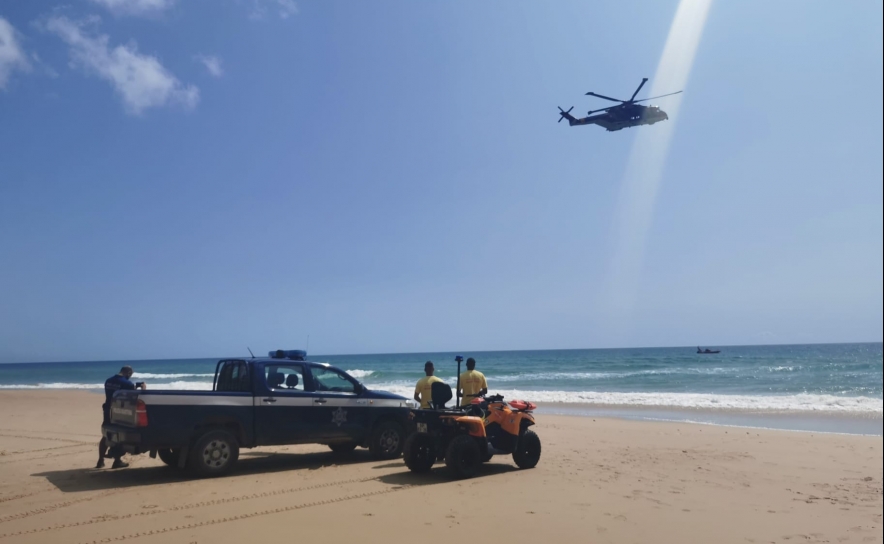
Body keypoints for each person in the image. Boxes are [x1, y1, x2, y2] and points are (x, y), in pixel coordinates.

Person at [97, 366, 146, 469]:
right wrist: (143, 388)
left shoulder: (108, 381)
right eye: (130, 375)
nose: (130, 377)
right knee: (119, 434)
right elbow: (135, 396)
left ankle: (100, 460)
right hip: (119, 411)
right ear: (128, 373)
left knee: (106, 434)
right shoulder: (127, 383)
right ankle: (117, 460)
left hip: (107, 409)